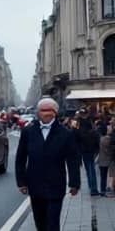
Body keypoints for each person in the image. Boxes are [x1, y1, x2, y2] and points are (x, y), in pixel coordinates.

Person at [16, 97, 81, 231]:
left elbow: (72, 160)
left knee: (52, 223)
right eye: (42, 110)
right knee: (40, 222)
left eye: (49, 110)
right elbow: (21, 158)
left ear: (55, 112)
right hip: (35, 185)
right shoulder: (28, 132)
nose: (46, 113)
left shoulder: (65, 133)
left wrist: (74, 183)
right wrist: (21, 182)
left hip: (56, 185)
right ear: (38, 112)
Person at [78, 117, 101, 195]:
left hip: (84, 153)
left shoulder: (81, 133)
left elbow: (79, 145)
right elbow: (98, 143)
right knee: (92, 170)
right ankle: (94, 189)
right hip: (92, 153)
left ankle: (91, 186)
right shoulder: (94, 133)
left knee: (88, 170)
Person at [98, 126, 113, 197]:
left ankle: (102, 190)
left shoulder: (100, 139)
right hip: (108, 160)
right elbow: (110, 150)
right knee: (108, 175)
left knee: (102, 176)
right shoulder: (109, 139)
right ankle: (108, 188)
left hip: (101, 160)